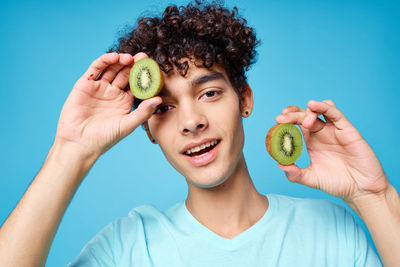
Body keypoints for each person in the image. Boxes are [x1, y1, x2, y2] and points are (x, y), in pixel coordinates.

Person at [0, 1, 399, 266]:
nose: (191, 122)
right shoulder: (128, 248)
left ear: (245, 98)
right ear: (148, 128)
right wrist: (71, 151)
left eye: (209, 92)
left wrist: (373, 196)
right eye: (166, 106)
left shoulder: (331, 232)